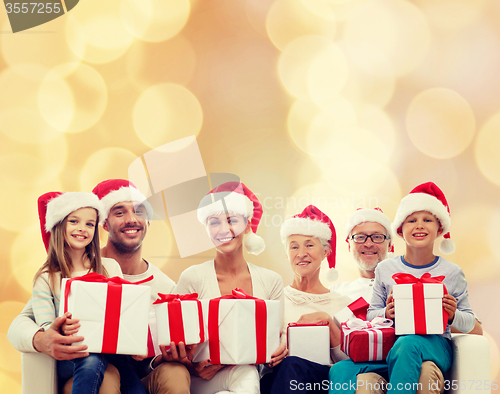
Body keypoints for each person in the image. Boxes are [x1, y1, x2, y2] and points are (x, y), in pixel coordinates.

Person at [9, 179, 192, 394]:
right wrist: (42, 338)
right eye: (119, 212)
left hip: (133, 372)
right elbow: (21, 323)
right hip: (86, 368)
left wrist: (159, 357)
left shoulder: (165, 288)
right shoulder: (60, 275)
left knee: (175, 372)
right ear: (103, 223)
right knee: (106, 375)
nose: (132, 219)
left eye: (139, 211)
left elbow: (150, 351)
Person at [329, 182, 476, 394]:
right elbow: (372, 313)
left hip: (436, 346)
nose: (419, 225)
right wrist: (386, 313)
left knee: (408, 344)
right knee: (341, 369)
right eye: (411, 220)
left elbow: (470, 322)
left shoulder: (452, 271)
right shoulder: (386, 269)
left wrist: (452, 316)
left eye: (427, 220)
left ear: (439, 228)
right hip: (392, 346)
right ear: (400, 229)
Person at [175, 181, 286, 394]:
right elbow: (174, 339)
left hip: (253, 378)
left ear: (247, 225)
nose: (224, 230)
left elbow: (278, 339)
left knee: (245, 374)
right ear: (206, 229)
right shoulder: (192, 278)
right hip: (203, 380)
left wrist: (281, 351)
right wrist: (194, 368)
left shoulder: (271, 281)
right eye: (214, 222)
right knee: (245, 374)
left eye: (232, 220)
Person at [32, 191, 125, 394]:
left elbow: (124, 312)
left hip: (112, 352)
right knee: (91, 358)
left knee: (133, 384)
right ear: (59, 225)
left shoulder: (110, 268)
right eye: (74, 221)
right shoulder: (46, 278)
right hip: (71, 355)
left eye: (90, 224)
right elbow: (46, 328)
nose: (82, 228)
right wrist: (60, 328)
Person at [260, 205, 352, 394]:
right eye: (294, 247)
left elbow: (348, 363)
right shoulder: (273, 299)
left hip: (322, 383)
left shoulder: (343, 303)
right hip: (277, 380)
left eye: (309, 245)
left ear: (325, 251)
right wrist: (271, 355)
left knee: (293, 365)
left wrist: (329, 323)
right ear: (287, 254)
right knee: (287, 366)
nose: (301, 253)